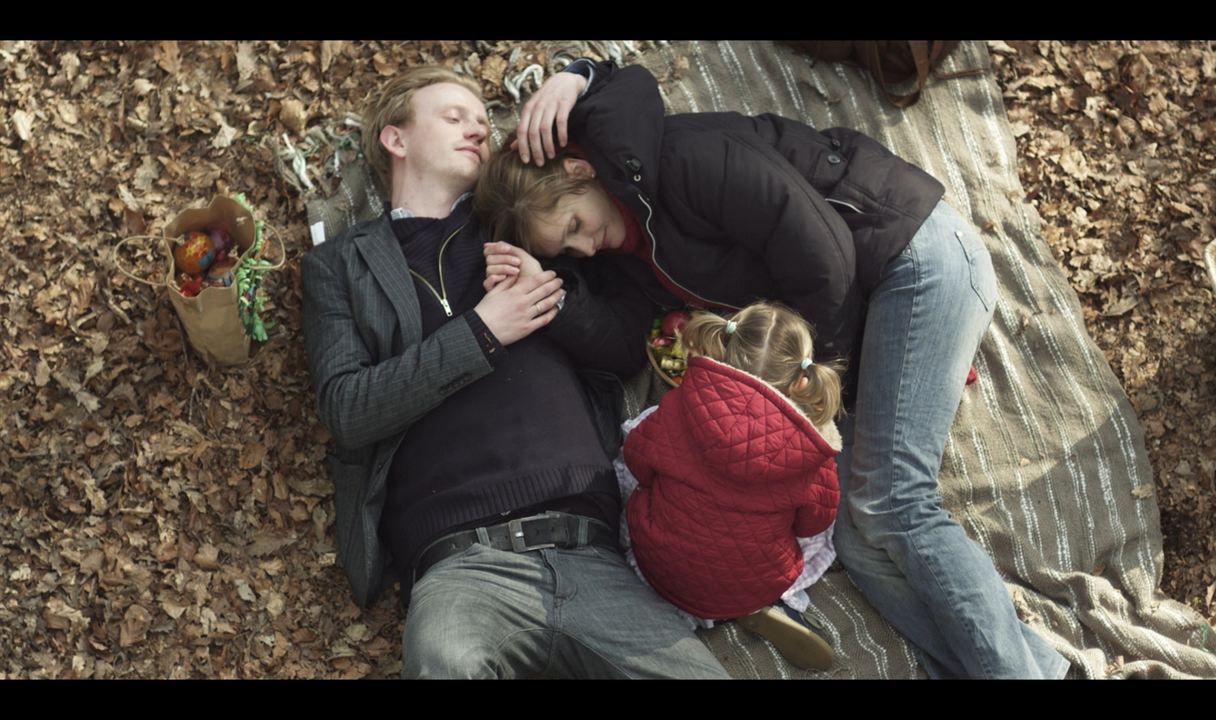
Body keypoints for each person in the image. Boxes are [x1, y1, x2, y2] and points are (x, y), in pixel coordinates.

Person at [473, 62, 1070, 679]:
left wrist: (813, 394)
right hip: (856, 330)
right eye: (565, 250)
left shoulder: (686, 158)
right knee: (855, 535)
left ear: (579, 170)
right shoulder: (626, 256)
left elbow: (826, 258)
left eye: (574, 226)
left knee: (894, 501)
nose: (584, 247)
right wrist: (560, 300)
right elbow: (625, 345)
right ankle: (1036, 669)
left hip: (911, 260)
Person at [300, 61, 727, 679]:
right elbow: (347, 410)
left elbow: (622, 349)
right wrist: (482, 332)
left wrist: (578, 78)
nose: (477, 127)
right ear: (396, 140)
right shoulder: (340, 264)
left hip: (591, 552)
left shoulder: (528, 220)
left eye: (482, 118)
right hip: (460, 570)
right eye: (454, 117)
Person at [614, 302, 843, 670]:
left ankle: (675, 613)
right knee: (817, 524)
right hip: (752, 581)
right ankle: (763, 605)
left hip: (661, 567)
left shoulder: (677, 405)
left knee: (634, 451)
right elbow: (813, 524)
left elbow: (638, 461)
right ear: (802, 380)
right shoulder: (814, 453)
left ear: (721, 346)